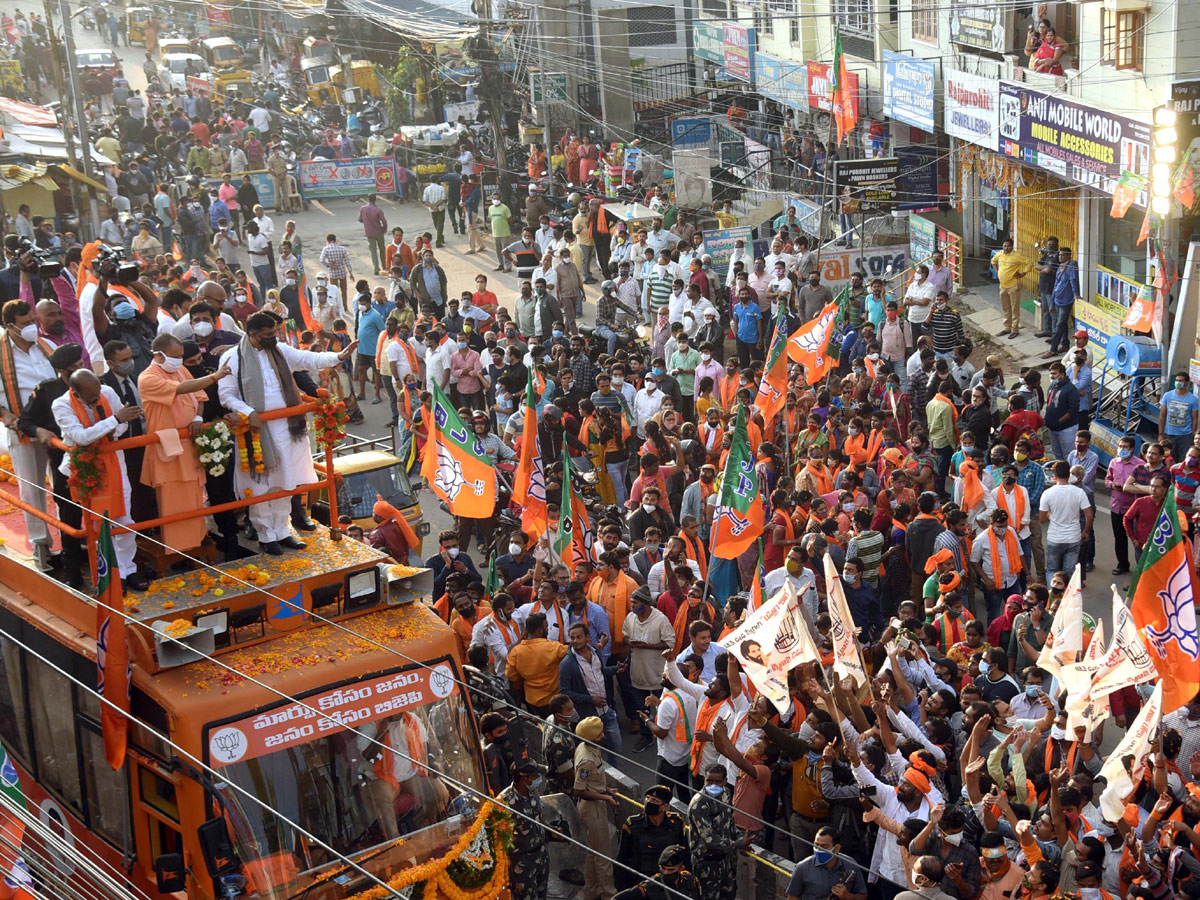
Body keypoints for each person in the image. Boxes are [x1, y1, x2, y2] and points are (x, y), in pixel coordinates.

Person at [217, 313, 357, 554]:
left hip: (288, 428)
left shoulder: (280, 351)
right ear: (253, 335)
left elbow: (308, 359)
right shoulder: (232, 358)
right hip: (257, 431)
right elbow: (226, 395)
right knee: (262, 486)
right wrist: (248, 411)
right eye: (269, 335)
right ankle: (265, 535)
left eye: (275, 333)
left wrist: (339, 356)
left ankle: (282, 531)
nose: (275, 338)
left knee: (286, 481)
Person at [53, 370, 150, 591]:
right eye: (92, 397)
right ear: (76, 394)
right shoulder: (61, 405)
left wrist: (116, 423)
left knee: (125, 518)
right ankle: (110, 573)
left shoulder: (106, 391)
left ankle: (128, 570)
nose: (98, 398)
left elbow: (123, 427)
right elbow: (81, 437)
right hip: (85, 468)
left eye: (98, 392)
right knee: (99, 523)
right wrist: (114, 420)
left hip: (115, 463)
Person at [138, 334, 227, 552]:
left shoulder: (179, 369)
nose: (179, 360)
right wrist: (215, 377)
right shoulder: (147, 378)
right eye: (175, 356)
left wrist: (197, 417)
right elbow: (182, 389)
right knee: (174, 500)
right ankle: (180, 548)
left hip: (190, 443)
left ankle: (199, 535)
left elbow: (199, 398)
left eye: (180, 356)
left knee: (196, 493)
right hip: (167, 448)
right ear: (159, 355)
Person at [574, 715, 618, 900]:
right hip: (592, 809)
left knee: (593, 852)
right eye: (599, 734)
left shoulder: (590, 748)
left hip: (596, 803)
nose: (603, 735)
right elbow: (579, 790)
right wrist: (606, 797)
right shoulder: (585, 759)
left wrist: (606, 789)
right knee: (603, 856)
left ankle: (590, 889)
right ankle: (609, 893)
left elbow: (594, 780)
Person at [499, 759, 551, 900]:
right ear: (524, 778)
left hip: (541, 855)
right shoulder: (505, 802)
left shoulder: (533, 791)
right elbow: (499, 838)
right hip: (521, 863)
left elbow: (539, 818)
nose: (539, 779)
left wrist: (551, 830)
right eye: (535, 776)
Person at [1038, 459, 1091, 581]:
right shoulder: (1079, 492)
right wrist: (1086, 532)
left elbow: (1041, 519)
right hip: (1073, 538)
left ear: (1054, 475)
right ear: (1069, 474)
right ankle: (1068, 598)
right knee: (1069, 573)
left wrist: (1051, 515)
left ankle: (1054, 596)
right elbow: (1089, 515)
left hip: (1054, 539)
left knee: (1052, 571)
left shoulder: (1047, 493)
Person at [784, 826, 868, 900]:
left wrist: (848, 896)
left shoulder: (851, 865)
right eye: (816, 845)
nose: (818, 850)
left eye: (824, 847)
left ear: (836, 849)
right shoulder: (802, 868)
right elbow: (792, 898)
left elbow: (863, 896)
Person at [990, 238, 1028, 338]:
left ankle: (1015, 329)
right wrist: (997, 271)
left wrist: (1023, 274)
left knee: (1014, 308)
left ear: (1012, 246)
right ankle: (1007, 328)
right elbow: (993, 261)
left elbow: (1029, 262)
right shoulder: (1000, 254)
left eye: (1008, 246)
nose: (1006, 248)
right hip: (1002, 286)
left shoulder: (1017, 255)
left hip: (1013, 286)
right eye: (1004, 246)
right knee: (1006, 308)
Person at [1159, 371, 1199, 462]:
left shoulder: (1193, 399)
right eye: (1177, 380)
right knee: (1168, 459)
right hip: (1169, 434)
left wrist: (1193, 434)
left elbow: (1195, 418)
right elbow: (1162, 415)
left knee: (1183, 460)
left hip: (1185, 436)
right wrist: (1161, 434)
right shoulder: (1167, 396)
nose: (1178, 382)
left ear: (1187, 383)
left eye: (1181, 380)